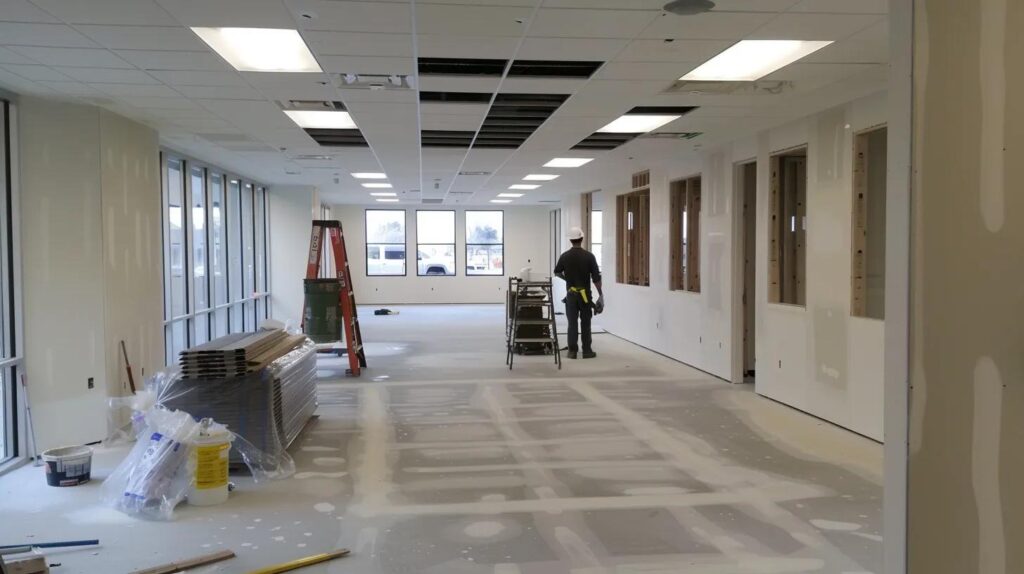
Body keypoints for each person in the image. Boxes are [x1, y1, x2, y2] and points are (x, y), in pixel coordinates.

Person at [553, 226, 603, 359]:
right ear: (582, 238)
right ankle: (587, 351)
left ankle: (572, 351)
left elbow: (557, 272)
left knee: (572, 324)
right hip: (585, 296)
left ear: (570, 240)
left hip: (571, 295)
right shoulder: (589, 256)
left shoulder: (565, 256)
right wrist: (601, 295)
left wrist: (567, 278)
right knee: (586, 323)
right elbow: (596, 279)